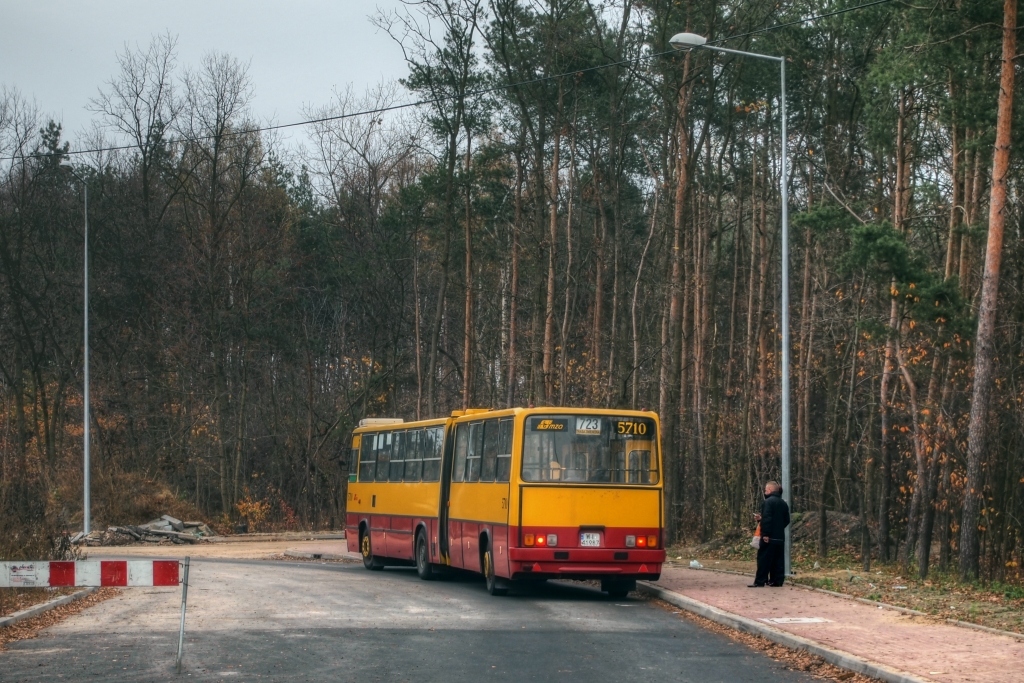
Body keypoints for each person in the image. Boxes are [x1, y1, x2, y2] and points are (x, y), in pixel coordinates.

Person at [749, 480, 790, 587]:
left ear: (770, 490)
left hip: (769, 537)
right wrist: (779, 528)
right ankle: (777, 581)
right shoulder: (784, 504)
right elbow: (786, 520)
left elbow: (767, 519)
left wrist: (766, 533)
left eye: (766, 489)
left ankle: (760, 581)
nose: (765, 491)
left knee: (764, 558)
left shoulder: (768, 502)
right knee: (778, 560)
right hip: (779, 537)